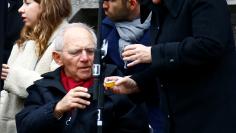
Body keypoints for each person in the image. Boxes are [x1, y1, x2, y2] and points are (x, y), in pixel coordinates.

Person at [104, 0, 236, 133]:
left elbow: (209, 45)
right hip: (175, 120)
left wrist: (153, 53)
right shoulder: (158, 7)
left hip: (209, 117)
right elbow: (172, 65)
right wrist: (137, 83)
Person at [15, 23, 150, 133]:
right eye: (75, 52)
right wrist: (56, 109)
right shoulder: (43, 87)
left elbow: (137, 127)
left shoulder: (116, 81)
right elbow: (24, 127)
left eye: (90, 51)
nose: (85, 58)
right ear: (58, 58)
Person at [0, 0, 71, 132]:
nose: (20, 9)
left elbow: (57, 90)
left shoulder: (67, 40)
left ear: (47, 5)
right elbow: (8, 95)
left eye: (27, 3)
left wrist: (13, 76)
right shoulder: (23, 41)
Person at [102, 0, 163, 132]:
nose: (104, 6)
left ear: (132, 3)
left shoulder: (162, 24)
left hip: (158, 113)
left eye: (111, 1)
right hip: (120, 118)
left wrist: (153, 55)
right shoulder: (104, 29)